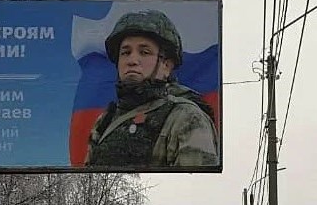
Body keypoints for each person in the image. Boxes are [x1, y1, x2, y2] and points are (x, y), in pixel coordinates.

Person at [84, 10, 219, 168]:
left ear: (166, 66)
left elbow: (194, 185)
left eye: (144, 52)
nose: (132, 60)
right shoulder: (105, 121)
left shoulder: (186, 118)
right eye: (125, 52)